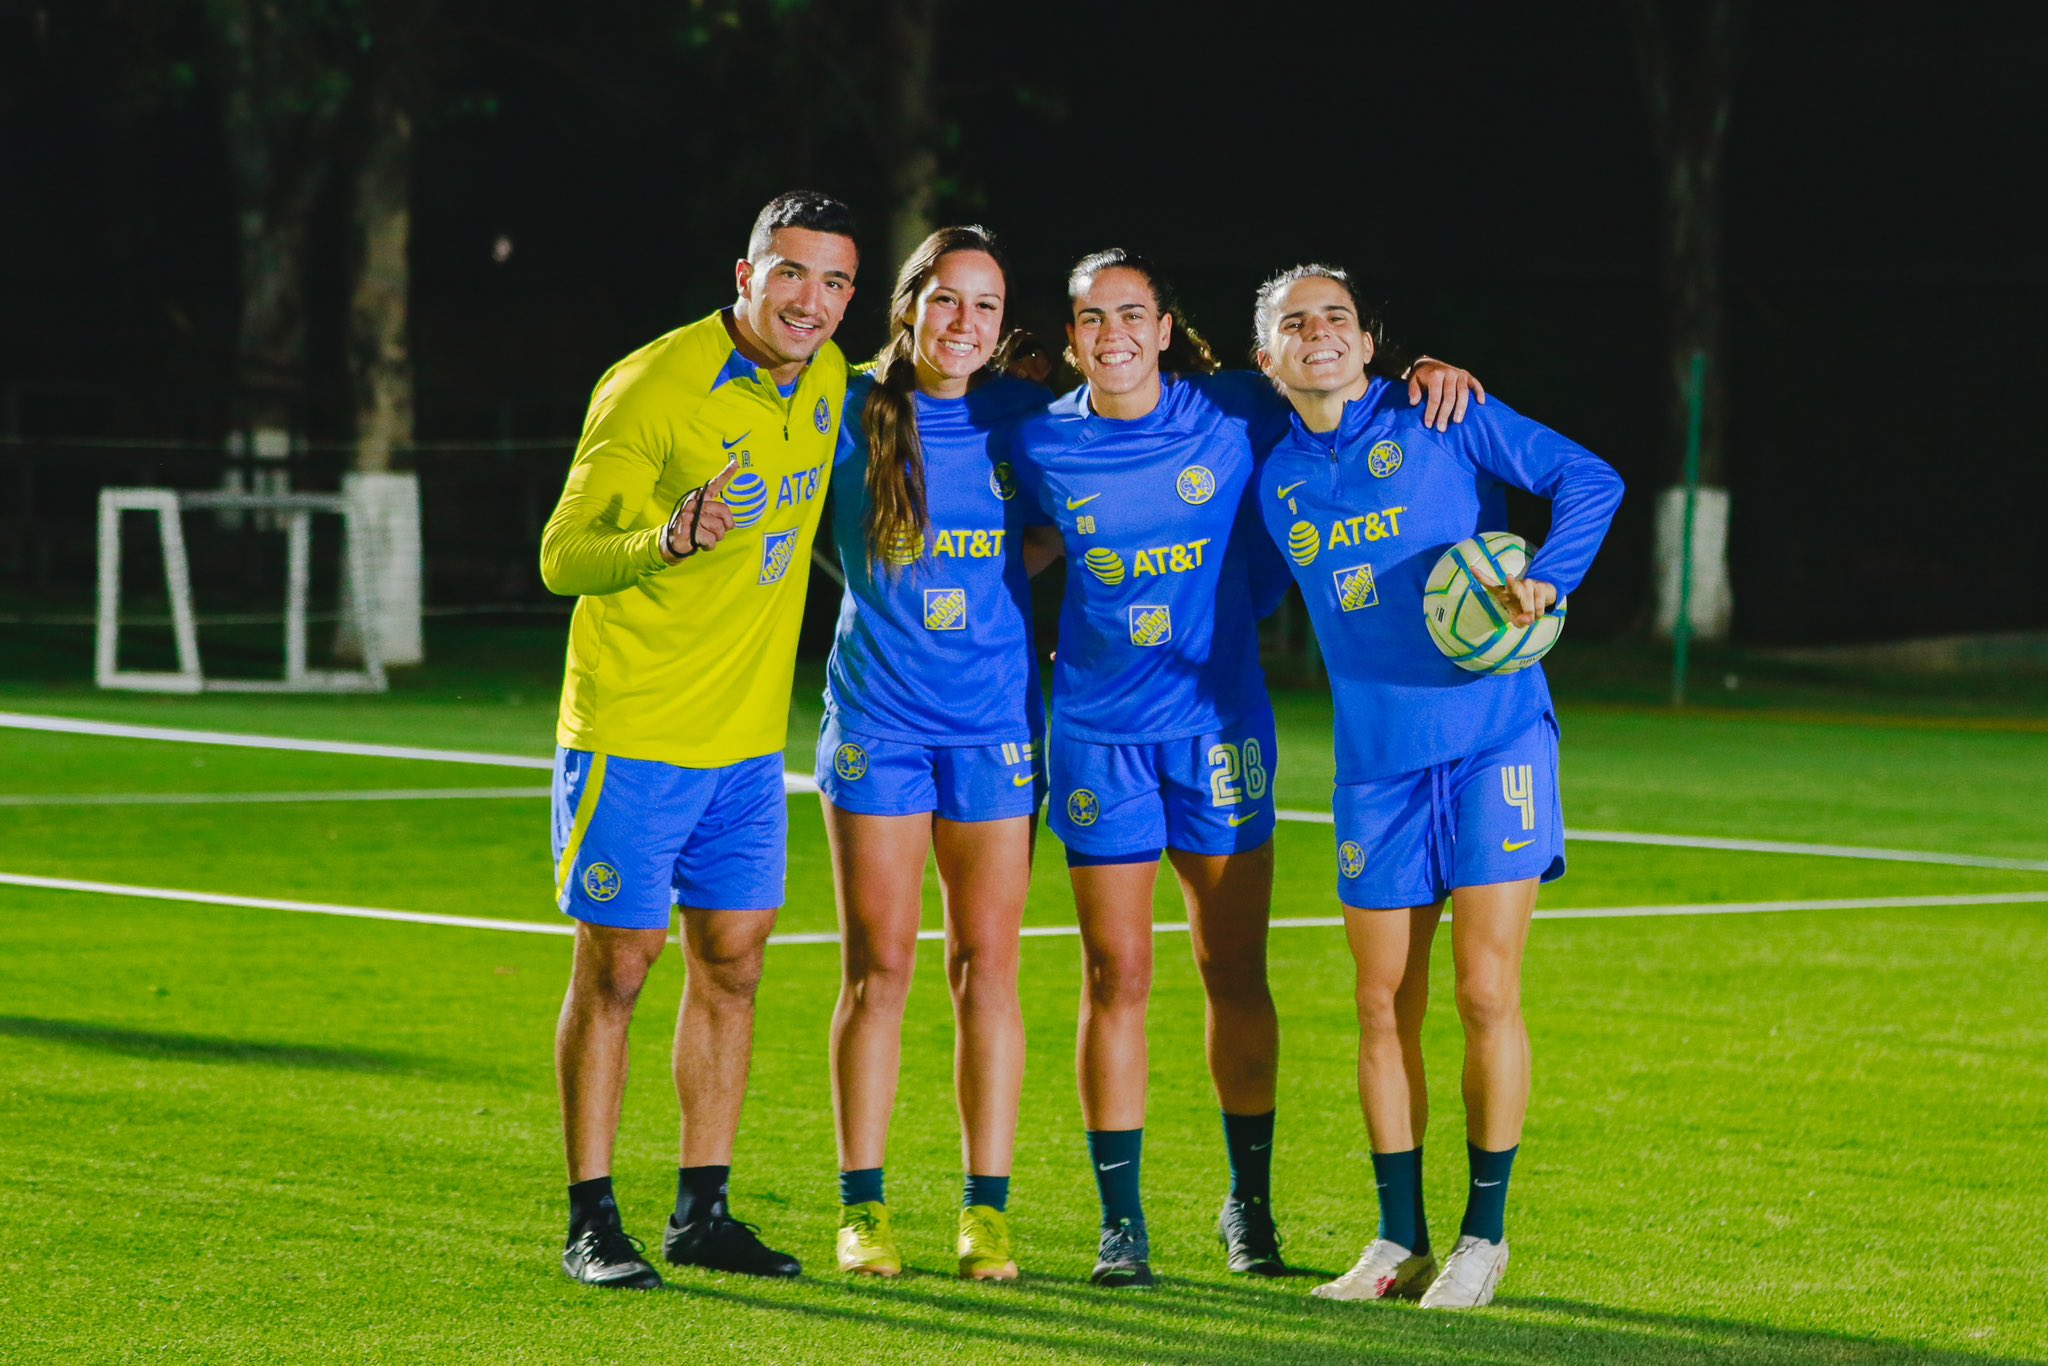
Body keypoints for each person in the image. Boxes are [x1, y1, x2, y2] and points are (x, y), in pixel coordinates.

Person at [1008, 249, 1479, 1287]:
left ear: (1167, 326)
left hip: (1220, 733)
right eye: (1091, 318)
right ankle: (1119, 1224)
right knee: (1113, 974)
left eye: (1132, 313)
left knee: (1233, 972)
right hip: (1097, 733)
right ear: (1072, 334)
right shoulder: (1036, 435)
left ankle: (1246, 1211)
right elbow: (990, 498)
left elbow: (1335, 389)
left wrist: (1423, 373)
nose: (1113, 333)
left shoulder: (1232, 408)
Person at [1248, 264, 1622, 1309]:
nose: (1315, 333)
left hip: (1494, 738)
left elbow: (1589, 478)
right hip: (1375, 766)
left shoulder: (1441, 410)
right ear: (1265, 356)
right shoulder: (1271, 477)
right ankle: (1394, 1242)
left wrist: (1550, 576)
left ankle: (1482, 1238)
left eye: (1334, 317)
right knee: (1379, 1005)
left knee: (1482, 991)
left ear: (1368, 340)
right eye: (1291, 323)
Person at [538, 190, 859, 1290]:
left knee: (733, 963)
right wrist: (666, 536)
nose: (810, 301)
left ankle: (701, 1208)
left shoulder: (822, 378)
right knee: (618, 969)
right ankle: (591, 1216)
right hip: (633, 729)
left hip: (744, 750)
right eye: (791, 274)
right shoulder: (651, 386)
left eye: (833, 282)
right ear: (745, 274)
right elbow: (562, 555)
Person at [812, 225, 1057, 1281]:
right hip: (878, 727)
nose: (965, 322)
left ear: (1005, 325)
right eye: (947, 300)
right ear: (908, 303)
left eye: (986, 306)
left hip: (995, 727)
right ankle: (862, 1208)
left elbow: (1170, 393)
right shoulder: (846, 410)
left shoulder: (1019, 415)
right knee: (879, 969)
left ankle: (984, 1212)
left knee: (985, 969)